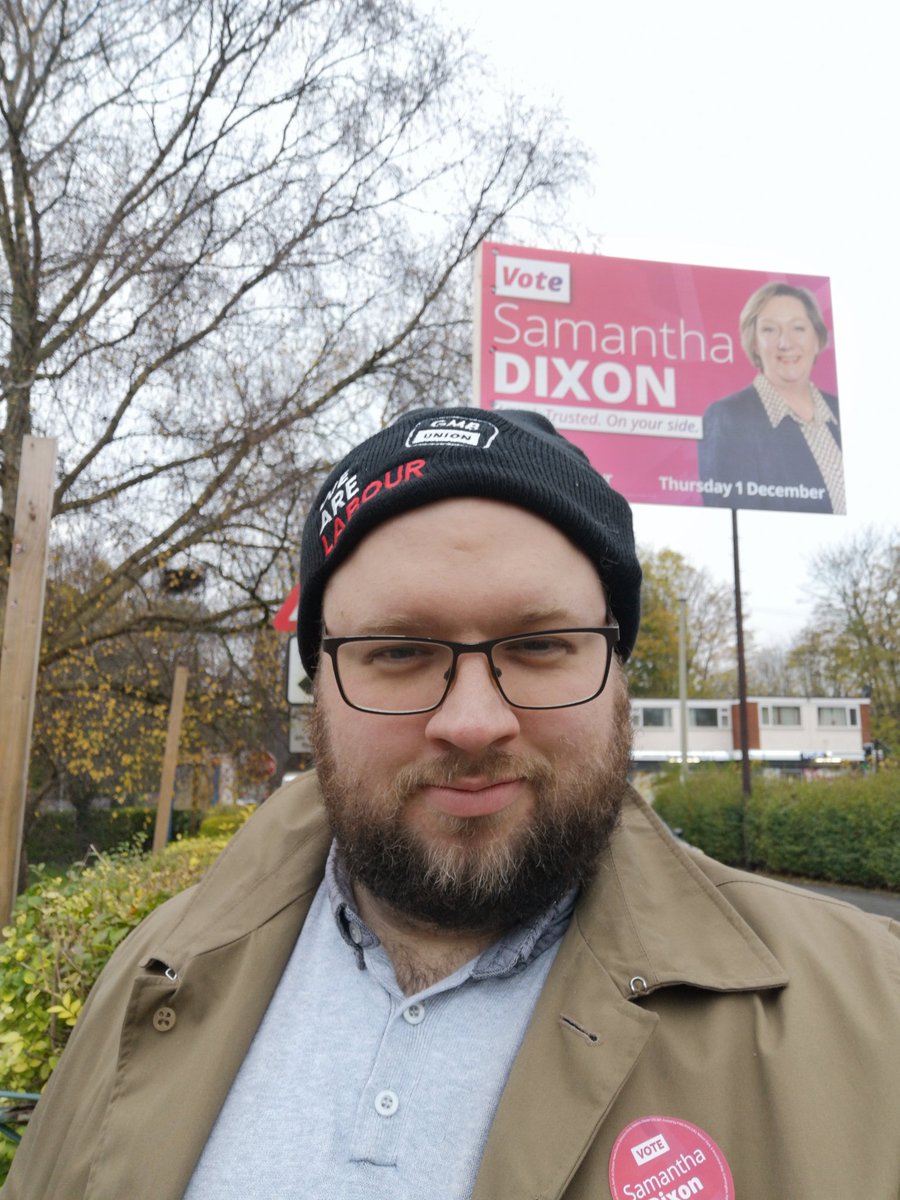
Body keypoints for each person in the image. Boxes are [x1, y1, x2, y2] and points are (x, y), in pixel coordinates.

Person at [4, 406, 898, 1200]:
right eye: (398, 651)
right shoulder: (153, 973)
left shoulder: (871, 1012)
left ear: (619, 672)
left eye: (544, 644)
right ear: (317, 682)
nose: (473, 722)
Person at [697, 282, 845, 512]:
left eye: (798, 328)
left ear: (817, 338)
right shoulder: (728, 417)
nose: (785, 343)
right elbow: (730, 508)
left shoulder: (838, 412)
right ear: (754, 342)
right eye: (769, 329)